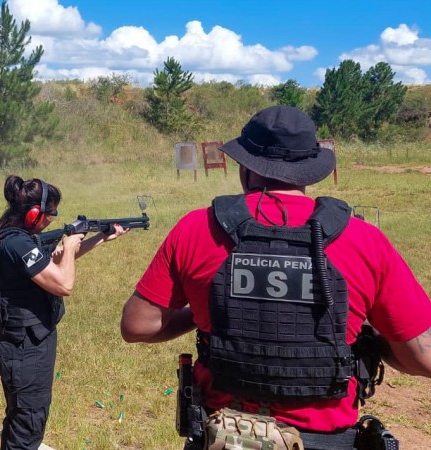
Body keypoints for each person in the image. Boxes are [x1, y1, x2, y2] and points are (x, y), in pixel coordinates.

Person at [120, 105, 431, 450]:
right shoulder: (365, 240)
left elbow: (138, 326)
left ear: (245, 168)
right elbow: (422, 358)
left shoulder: (195, 228)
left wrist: (206, 307)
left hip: (221, 438)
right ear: (311, 172)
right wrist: (371, 342)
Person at [0, 175, 129, 449]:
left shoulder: (12, 237)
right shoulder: (19, 245)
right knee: (29, 422)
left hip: (19, 343)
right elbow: (63, 283)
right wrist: (70, 245)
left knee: (20, 417)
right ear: (33, 213)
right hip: (25, 348)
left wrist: (99, 239)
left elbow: (52, 263)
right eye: (49, 214)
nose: (51, 220)